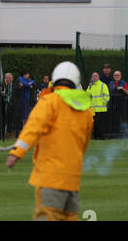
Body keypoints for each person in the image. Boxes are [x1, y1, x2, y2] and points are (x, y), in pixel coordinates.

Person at [6, 61, 94, 221]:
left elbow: (32, 129)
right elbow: (84, 144)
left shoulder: (49, 102)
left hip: (50, 177)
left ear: (55, 78)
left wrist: (16, 153)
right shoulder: (85, 109)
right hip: (72, 180)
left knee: (47, 217)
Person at [86, 72, 110, 140]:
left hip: (101, 109)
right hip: (93, 110)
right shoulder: (90, 86)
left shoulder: (103, 85)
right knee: (95, 125)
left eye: (96, 76)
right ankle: (96, 137)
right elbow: (87, 95)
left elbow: (107, 96)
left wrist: (103, 103)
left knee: (101, 125)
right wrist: (89, 87)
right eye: (93, 76)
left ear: (98, 77)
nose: (94, 77)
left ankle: (102, 137)